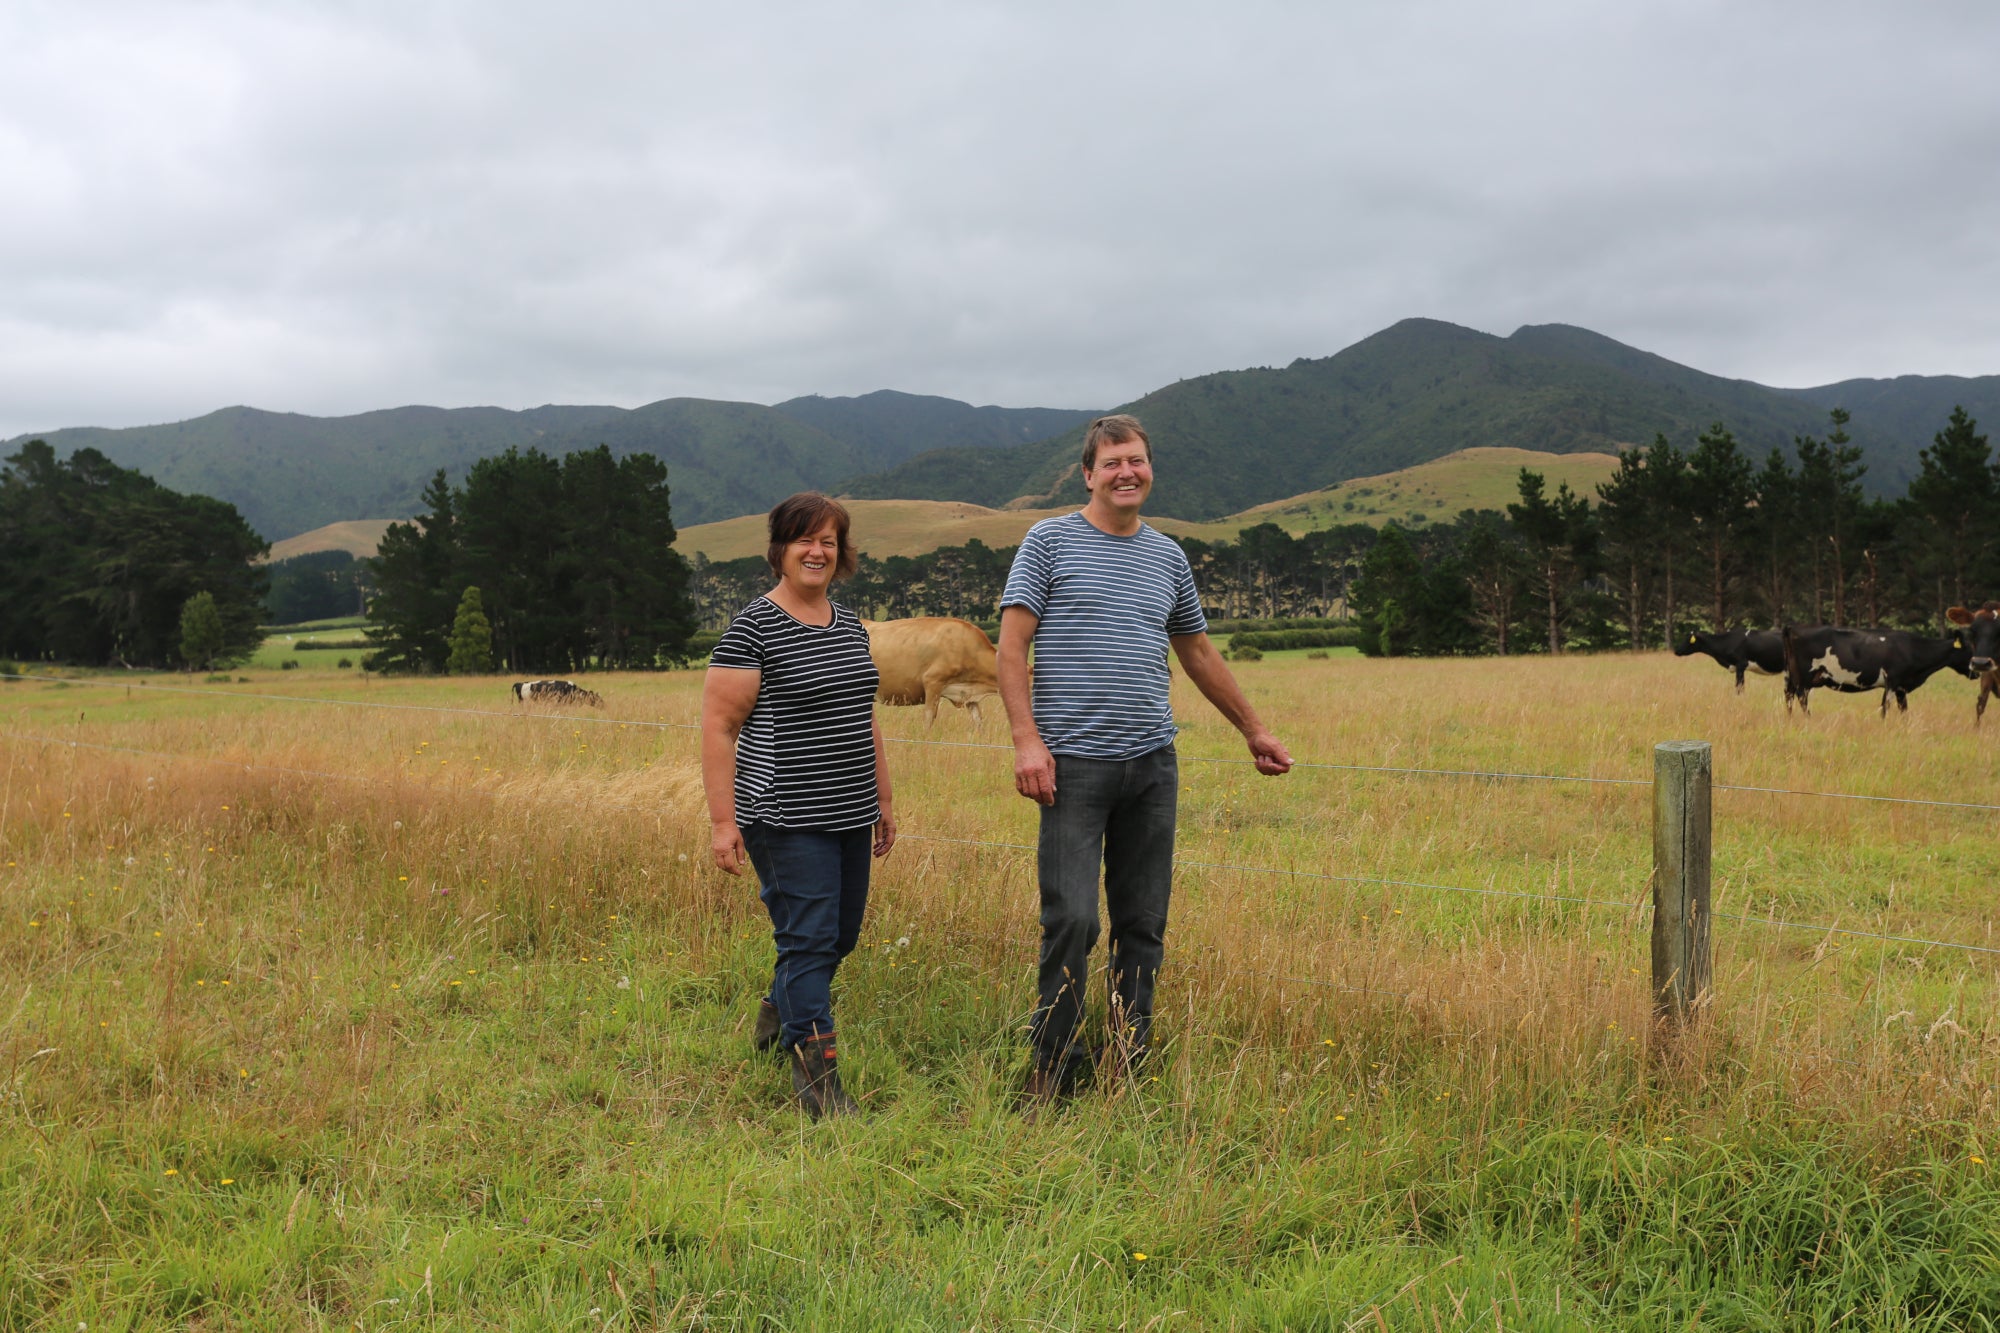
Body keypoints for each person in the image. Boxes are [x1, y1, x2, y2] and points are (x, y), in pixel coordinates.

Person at [997, 414, 1292, 1104]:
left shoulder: (1167, 557)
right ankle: (1052, 1069)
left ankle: (1128, 1061)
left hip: (1152, 765)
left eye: (1136, 461)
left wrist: (1253, 728)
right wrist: (1024, 739)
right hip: (1071, 764)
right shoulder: (1048, 542)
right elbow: (1011, 648)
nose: (1126, 472)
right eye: (1112, 463)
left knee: (1142, 923)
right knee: (1072, 919)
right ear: (1088, 474)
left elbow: (1196, 651)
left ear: (1149, 467)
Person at [701, 492, 895, 1118]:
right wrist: (723, 822)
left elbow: (864, 717)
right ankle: (817, 1086)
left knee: (839, 937)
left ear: (842, 554)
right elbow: (719, 728)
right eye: (804, 539)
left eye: (829, 541)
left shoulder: (850, 625)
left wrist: (883, 800)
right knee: (809, 941)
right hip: (783, 814)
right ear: (779, 549)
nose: (817, 551)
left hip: (849, 809)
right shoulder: (752, 628)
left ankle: (772, 1017)